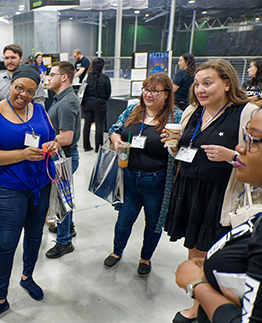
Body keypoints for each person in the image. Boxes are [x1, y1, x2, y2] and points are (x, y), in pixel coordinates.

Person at [164, 59, 259, 323]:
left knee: (217, 255)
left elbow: (256, 161)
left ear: (227, 84)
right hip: (190, 190)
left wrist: (230, 156)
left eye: (208, 83)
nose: (200, 90)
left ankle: (207, 306)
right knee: (195, 250)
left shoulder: (246, 113)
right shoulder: (192, 112)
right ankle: (200, 304)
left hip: (222, 195)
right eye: (197, 84)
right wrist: (172, 146)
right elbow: (182, 149)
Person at [0, 64, 60, 323]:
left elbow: (52, 137)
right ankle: (0, 299)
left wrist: (53, 145)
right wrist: (22, 154)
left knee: (35, 235)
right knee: (5, 244)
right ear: (10, 84)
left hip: (40, 186)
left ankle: (27, 277)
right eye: (19, 88)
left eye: (30, 91)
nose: (24, 95)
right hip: (9, 190)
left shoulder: (40, 110)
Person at [104, 73, 182, 277]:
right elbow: (114, 129)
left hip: (157, 180)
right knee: (124, 220)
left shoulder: (176, 117)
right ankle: (116, 251)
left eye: (156, 90)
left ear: (167, 94)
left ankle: (145, 257)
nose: (149, 94)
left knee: (154, 223)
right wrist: (116, 140)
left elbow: (183, 146)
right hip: (129, 177)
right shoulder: (134, 110)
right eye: (146, 89)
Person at [44, 61, 82, 258]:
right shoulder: (61, 98)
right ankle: (69, 227)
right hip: (63, 156)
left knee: (62, 199)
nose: (48, 78)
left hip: (64, 157)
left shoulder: (67, 103)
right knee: (65, 196)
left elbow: (66, 138)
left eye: (52, 74)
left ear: (64, 77)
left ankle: (64, 241)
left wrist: (46, 139)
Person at [81, 58, 112, 152]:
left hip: (87, 103)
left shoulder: (87, 77)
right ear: (102, 66)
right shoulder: (105, 78)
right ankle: (98, 148)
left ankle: (86, 146)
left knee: (87, 124)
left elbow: (83, 91)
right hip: (99, 104)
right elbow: (108, 93)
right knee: (99, 126)